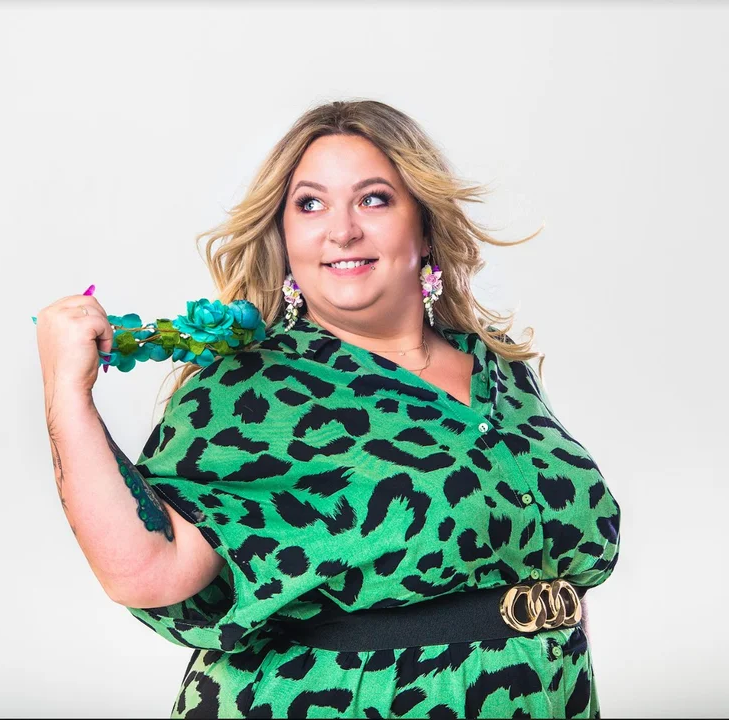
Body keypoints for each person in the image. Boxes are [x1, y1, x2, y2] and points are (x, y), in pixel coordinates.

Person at [35, 100, 621, 719]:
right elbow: (148, 570)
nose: (342, 231)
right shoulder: (251, 387)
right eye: (311, 204)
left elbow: (545, 565)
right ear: (285, 237)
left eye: (374, 199)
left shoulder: (500, 369)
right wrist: (66, 392)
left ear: (424, 226)